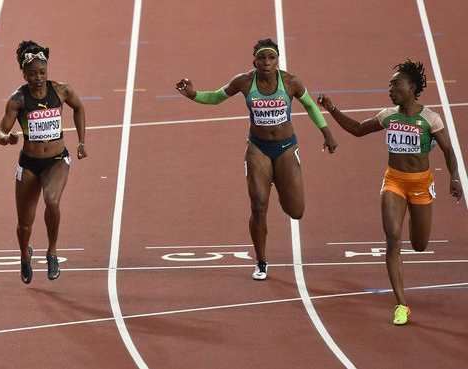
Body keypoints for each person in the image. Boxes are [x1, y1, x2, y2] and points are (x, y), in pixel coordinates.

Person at [176, 38, 337, 280]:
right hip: (258, 148)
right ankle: (261, 262)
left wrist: (326, 132)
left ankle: (278, 180)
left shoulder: (291, 82)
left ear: (277, 60)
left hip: (285, 148)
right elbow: (217, 97)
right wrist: (192, 94)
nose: (266, 63)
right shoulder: (244, 81)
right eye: (261, 58)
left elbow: (311, 106)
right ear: (254, 60)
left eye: (271, 58)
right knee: (259, 207)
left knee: (296, 211)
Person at [317, 60, 462, 325]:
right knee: (392, 241)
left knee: (419, 245)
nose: (390, 88)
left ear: (412, 87)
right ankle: (401, 304)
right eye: (390, 84)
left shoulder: (430, 118)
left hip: (419, 185)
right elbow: (358, 129)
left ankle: (413, 218)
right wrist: (332, 109)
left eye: (396, 84)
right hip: (393, 182)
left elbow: (449, 151)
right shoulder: (387, 115)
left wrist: (454, 177)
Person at [0, 41, 87, 284]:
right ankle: (25, 255)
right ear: (24, 73)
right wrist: (9, 139)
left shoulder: (61, 91)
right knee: (25, 225)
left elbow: (79, 108)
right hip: (28, 164)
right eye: (33, 73)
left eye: (42, 72)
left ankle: (52, 251)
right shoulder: (18, 99)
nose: (38, 77)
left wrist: (81, 142)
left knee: (52, 200)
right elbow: (0, 134)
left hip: (57, 160)